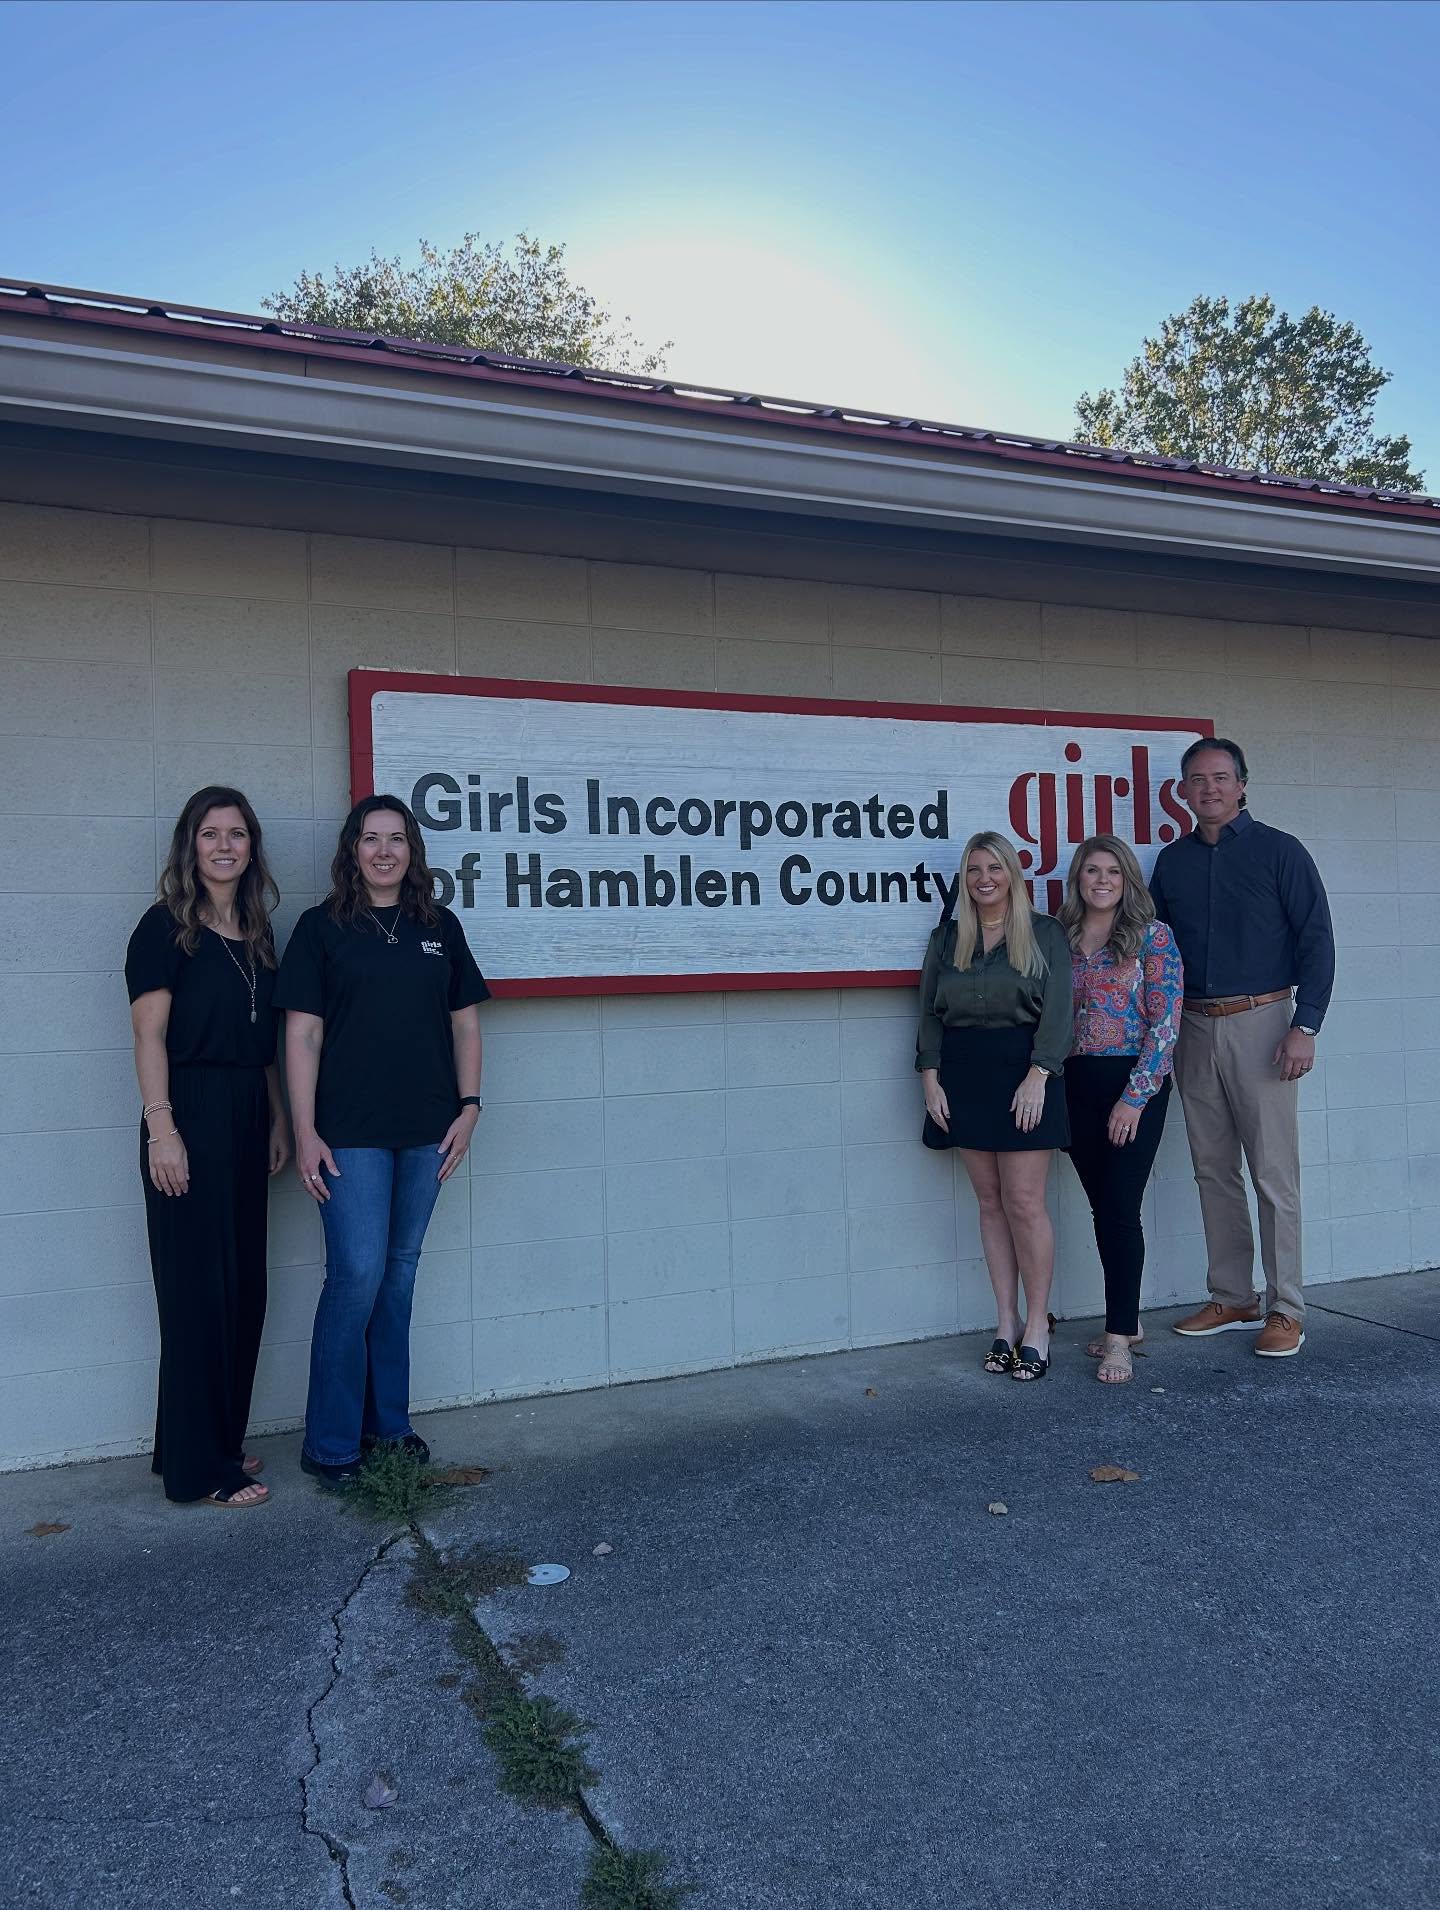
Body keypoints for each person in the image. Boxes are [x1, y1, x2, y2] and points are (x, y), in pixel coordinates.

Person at [276, 794, 490, 1488]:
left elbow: (465, 1026)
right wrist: (305, 1130)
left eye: (396, 839)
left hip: (427, 1130)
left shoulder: (439, 927)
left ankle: (388, 1427)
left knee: (398, 1275)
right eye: (371, 838)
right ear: (352, 850)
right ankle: (332, 1443)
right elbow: (302, 1034)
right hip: (349, 1135)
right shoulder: (321, 929)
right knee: (357, 1275)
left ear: (412, 851)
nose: (384, 851)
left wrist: (470, 1107)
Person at [125, 786, 291, 1507]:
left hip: (248, 1114)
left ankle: (201, 1441)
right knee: (197, 1294)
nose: (224, 846)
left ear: (252, 847)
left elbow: (262, 1047)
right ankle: (202, 1475)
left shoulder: (255, 932)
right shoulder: (164, 928)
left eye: (236, 834)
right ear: (189, 847)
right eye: (209, 834)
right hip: (186, 1113)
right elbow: (148, 1036)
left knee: (240, 1290)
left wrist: (279, 1118)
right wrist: (163, 1129)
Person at [1149, 738, 1335, 1358]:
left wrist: (1304, 1025)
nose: (1210, 789)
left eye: (1221, 778)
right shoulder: (1171, 864)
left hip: (1265, 1026)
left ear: (1243, 785)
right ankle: (1232, 1295)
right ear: (1182, 791)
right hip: (1193, 1028)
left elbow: (1318, 942)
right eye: (1197, 780)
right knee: (1212, 1169)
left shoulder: (1280, 852)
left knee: (1274, 1175)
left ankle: (1286, 1308)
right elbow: (1156, 952)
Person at [917, 831, 1072, 1381]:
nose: (985, 879)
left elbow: (1058, 1014)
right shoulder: (947, 939)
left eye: (995, 868)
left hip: (1025, 1070)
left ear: (1013, 874)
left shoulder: (1046, 934)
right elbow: (930, 1014)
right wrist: (931, 1081)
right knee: (989, 1202)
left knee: (1024, 1202)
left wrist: (1039, 1076)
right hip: (964, 1075)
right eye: (974, 870)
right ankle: (1005, 1323)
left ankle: (1037, 1324)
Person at [1059, 835, 1183, 1385]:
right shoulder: (1058, 939)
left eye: (1113, 871)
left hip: (1135, 1086)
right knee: (1100, 1208)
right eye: (1092, 871)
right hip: (1076, 1086)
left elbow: (1165, 1026)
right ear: (1078, 880)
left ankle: (1118, 1341)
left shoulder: (1153, 938)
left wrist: (1134, 1098)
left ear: (1128, 879)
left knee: (1119, 1208)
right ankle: (1126, 1319)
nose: (1102, 880)